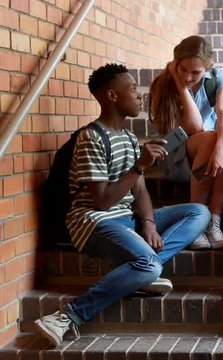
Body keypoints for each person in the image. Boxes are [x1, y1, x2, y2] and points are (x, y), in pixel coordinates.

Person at [34, 63, 211, 347]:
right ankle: (68, 316)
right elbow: (100, 201)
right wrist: (140, 166)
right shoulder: (91, 137)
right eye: (132, 90)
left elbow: (139, 191)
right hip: (94, 222)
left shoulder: (129, 138)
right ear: (112, 96)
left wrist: (150, 224)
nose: (139, 95)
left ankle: (138, 272)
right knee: (149, 265)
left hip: (126, 220)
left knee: (199, 212)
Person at [149, 35, 223, 250]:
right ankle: (195, 223)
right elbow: (195, 127)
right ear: (175, 64)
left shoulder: (219, 78)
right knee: (209, 137)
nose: (189, 76)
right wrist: (180, 85)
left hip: (206, 150)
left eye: (196, 72)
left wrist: (221, 149)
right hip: (172, 148)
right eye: (183, 69)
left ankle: (213, 222)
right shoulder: (164, 83)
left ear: (207, 68)